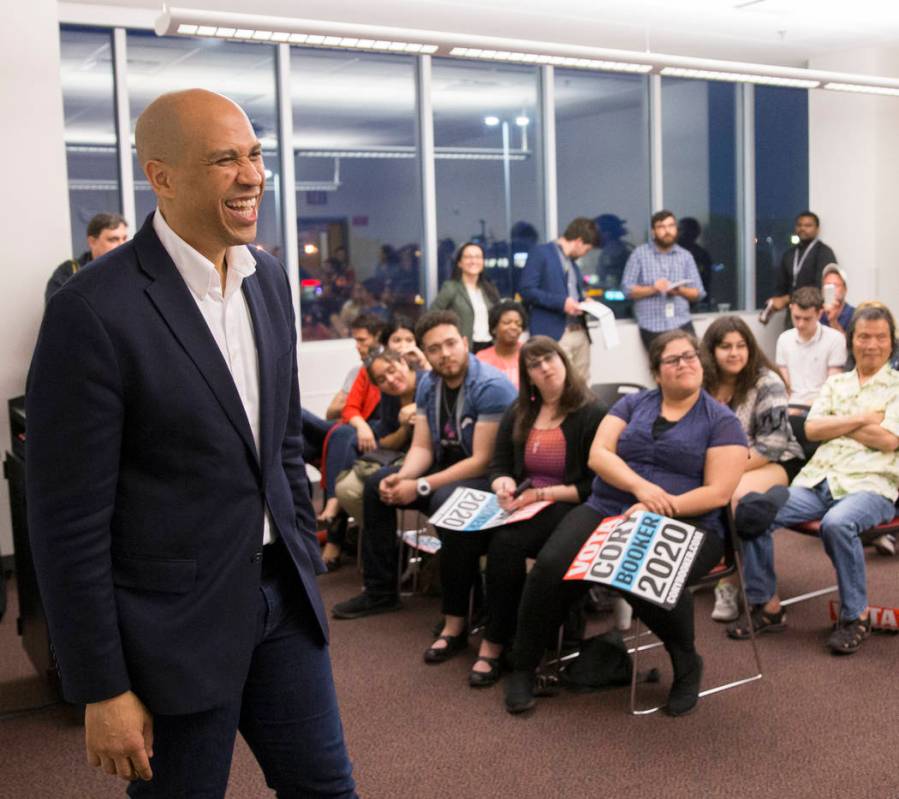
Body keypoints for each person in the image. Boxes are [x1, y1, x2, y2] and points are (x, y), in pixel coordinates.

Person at [26, 89, 355, 796]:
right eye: (223, 159)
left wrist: (300, 543)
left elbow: (279, 448)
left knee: (327, 788)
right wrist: (101, 684)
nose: (252, 175)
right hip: (171, 628)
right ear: (162, 176)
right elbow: (66, 526)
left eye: (255, 155)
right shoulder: (92, 311)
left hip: (283, 605)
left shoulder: (267, 279)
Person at [504, 330, 747, 717]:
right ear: (656, 371)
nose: (685, 363)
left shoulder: (721, 421)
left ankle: (687, 662)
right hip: (609, 506)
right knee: (550, 567)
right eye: (674, 359)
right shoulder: (632, 405)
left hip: (690, 521)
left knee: (638, 574)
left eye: (691, 356)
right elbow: (599, 455)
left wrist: (657, 508)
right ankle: (523, 666)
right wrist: (641, 489)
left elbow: (718, 493)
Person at [729, 304, 899, 655]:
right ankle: (767, 606)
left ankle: (856, 617)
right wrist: (865, 418)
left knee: (837, 524)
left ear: (891, 342)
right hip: (818, 481)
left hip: (872, 486)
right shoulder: (836, 382)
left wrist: (840, 423)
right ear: (852, 340)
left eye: (880, 337)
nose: (871, 344)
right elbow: (811, 428)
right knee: (752, 510)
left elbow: (889, 440)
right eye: (864, 336)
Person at [331, 309, 516, 620]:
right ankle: (381, 592)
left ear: (465, 342)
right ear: (424, 353)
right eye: (434, 349)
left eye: (450, 344)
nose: (444, 354)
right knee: (379, 484)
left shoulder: (490, 386)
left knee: (446, 499)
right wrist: (401, 478)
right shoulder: (429, 385)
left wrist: (421, 485)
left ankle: (467, 603)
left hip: (490, 478)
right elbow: (422, 446)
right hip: (446, 467)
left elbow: (481, 461)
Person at [458, 336, 604, 686]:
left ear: (563, 360)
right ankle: (491, 629)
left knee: (506, 544)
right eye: (534, 365)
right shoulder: (521, 410)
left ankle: (494, 643)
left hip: (570, 502)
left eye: (549, 359)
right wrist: (503, 485)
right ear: (528, 376)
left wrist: (542, 494)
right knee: (479, 539)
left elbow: (593, 485)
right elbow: (499, 465)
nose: (544, 368)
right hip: (526, 500)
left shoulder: (591, 412)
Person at [701, 316, 805, 622]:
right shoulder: (704, 383)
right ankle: (705, 562)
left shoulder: (766, 382)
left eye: (741, 346)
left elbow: (772, 444)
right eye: (725, 347)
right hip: (723, 463)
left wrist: (722, 471)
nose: (734, 353)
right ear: (711, 351)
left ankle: (729, 580)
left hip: (775, 460)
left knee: (734, 497)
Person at [328, 350, 423, 566]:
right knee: (346, 487)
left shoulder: (428, 384)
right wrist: (404, 428)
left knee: (373, 486)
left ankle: (389, 558)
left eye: (392, 370)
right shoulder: (389, 397)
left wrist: (419, 412)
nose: (390, 380)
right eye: (381, 379)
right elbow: (386, 442)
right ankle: (395, 545)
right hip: (397, 458)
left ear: (402, 362)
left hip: (425, 462)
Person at [519, 217, 599, 382]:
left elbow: (571, 293)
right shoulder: (541, 253)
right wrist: (561, 303)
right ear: (578, 241)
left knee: (582, 387)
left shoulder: (572, 264)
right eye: (587, 249)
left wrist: (584, 301)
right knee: (559, 385)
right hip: (555, 334)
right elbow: (526, 290)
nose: (585, 254)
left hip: (579, 331)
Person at [621, 209, 705, 352]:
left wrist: (680, 291)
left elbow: (699, 293)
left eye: (671, 226)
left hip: (681, 323)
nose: (667, 231)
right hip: (652, 326)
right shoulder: (639, 255)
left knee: (693, 363)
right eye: (661, 227)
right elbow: (627, 290)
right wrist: (654, 288)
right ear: (653, 231)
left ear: (676, 229)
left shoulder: (685, 256)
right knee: (662, 369)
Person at [775, 286, 847, 411]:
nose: (800, 324)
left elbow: (832, 389)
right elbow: (784, 387)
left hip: (822, 407)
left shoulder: (835, 339)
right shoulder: (784, 339)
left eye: (807, 319)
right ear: (791, 309)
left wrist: (801, 408)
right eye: (797, 317)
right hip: (790, 406)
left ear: (820, 313)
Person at [762, 211, 837, 324]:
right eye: (799, 225)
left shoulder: (824, 253)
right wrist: (775, 302)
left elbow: (820, 288)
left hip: (814, 314)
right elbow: (781, 286)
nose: (802, 228)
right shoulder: (789, 254)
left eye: (808, 225)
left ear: (817, 229)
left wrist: (785, 299)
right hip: (792, 313)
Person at [430, 241, 500, 352]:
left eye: (478, 257)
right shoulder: (451, 287)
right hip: (464, 348)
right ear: (459, 263)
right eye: (468, 257)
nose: (474, 261)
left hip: (490, 346)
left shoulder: (489, 289)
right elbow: (431, 315)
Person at [45, 212, 128, 303]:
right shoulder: (69, 272)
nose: (122, 245)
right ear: (92, 242)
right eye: (113, 239)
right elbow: (57, 311)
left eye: (124, 239)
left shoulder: (132, 270)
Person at [476, 299, 528, 388]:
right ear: (494, 328)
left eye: (518, 323)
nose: (513, 327)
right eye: (507, 322)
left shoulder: (529, 354)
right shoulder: (481, 359)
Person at [820, 263, 855, 335]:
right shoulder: (817, 313)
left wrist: (833, 321)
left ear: (845, 289)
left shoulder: (854, 314)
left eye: (836, 285)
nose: (832, 289)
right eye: (828, 285)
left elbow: (849, 345)